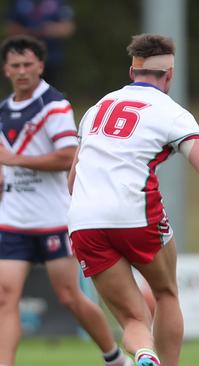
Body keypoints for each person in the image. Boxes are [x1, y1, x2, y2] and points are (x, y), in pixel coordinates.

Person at [67, 33, 199, 366]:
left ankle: (144, 354)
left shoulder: (96, 109)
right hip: (136, 214)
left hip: (84, 220)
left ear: (131, 71)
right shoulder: (171, 112)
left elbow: (73, 179)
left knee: (133, 320)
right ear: (170, 75)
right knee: (166, 294)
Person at [0, 35, 130, 366]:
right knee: (5, 297)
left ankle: (113, 358)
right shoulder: (2, 111)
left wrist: (14, 161)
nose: (23, 71)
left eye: (28, 64)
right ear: (6, 70)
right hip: (12, 221)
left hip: (53, 220)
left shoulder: (54, 106)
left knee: (69, 296)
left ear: (41, 66)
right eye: (16, 65)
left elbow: (68, 157)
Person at [5, 0, 75, 86]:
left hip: (52, 59)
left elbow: (68, 28)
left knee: (51, 94)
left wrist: (49, 29)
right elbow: (10, 27)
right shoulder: (19, 3)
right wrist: (29, 33)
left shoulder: (59, 3)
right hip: (25, 60)